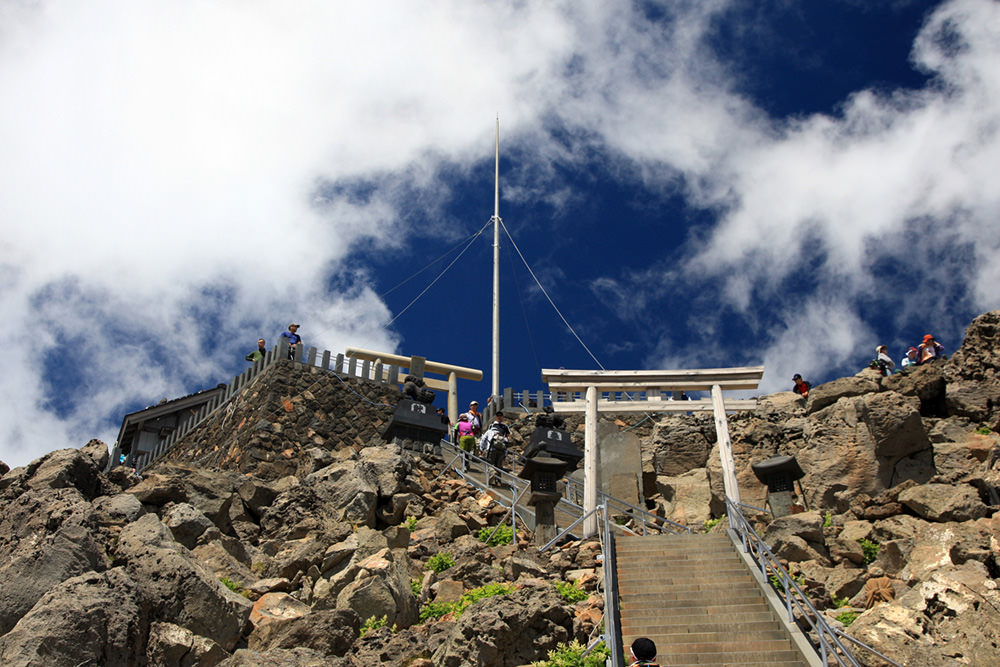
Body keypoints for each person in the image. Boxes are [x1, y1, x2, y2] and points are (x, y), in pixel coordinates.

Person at [480, 411, 511, 482]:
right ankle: (498, 481)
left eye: (500, 416)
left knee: (490, 463)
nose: (499, 417)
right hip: (501, 449)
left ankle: (492, 476)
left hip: (492, 448)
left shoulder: (493, 427)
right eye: (498, 416)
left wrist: (482, 449)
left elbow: (484, 438)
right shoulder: (502, 426)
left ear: (502, 417)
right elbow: (508, 439)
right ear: (496, 417)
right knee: (499, 466)